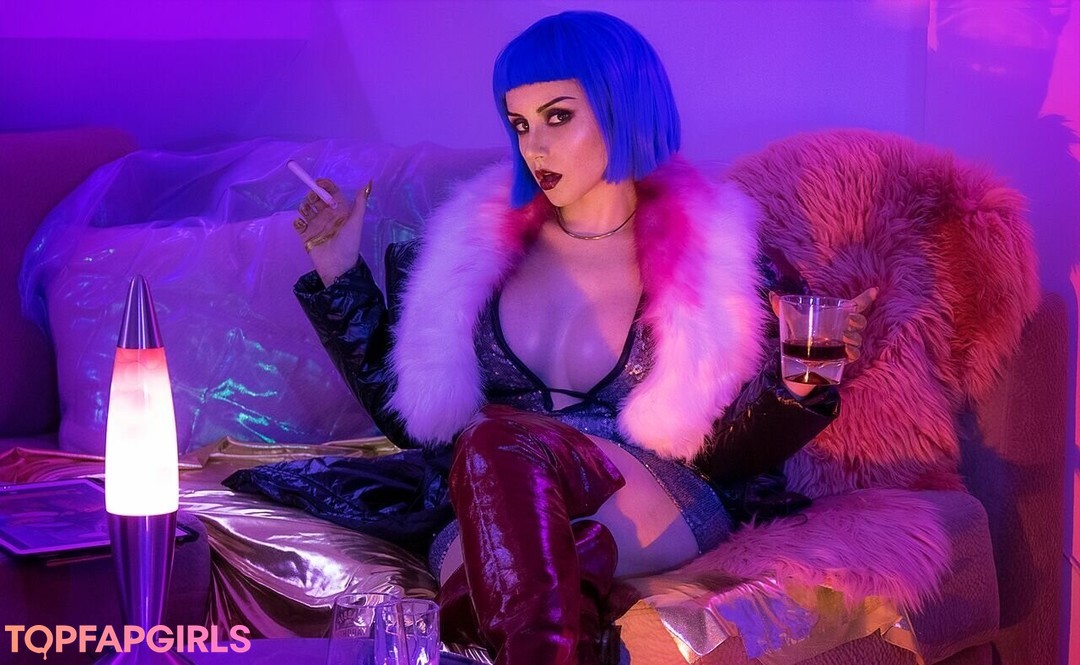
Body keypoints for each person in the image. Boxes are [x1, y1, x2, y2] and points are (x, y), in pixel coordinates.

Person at [291, 11, 872, 665]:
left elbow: (737, 447)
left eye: (558, 117)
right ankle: (577, 605)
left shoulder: (718, 255)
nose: (534, 147)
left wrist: (802, 384)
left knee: (496, 447)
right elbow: (417, 418)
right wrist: (338, 269)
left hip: (651, 489)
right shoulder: (467, 252)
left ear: (623, 110)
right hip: (495, 497)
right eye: (519, 124)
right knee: (517, 570)